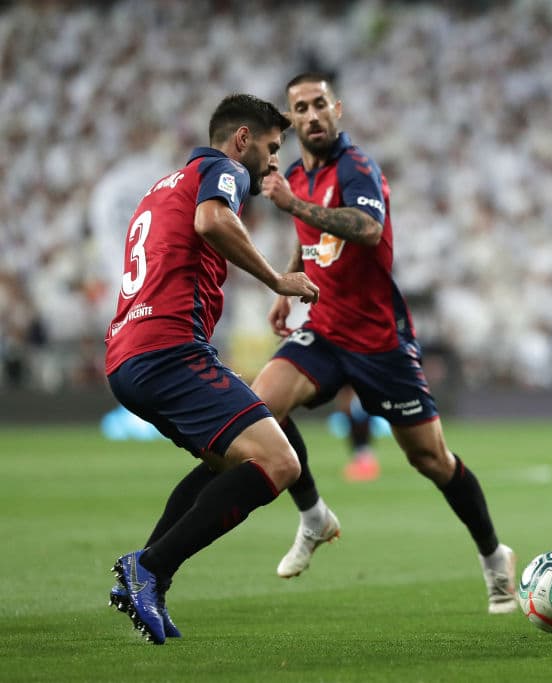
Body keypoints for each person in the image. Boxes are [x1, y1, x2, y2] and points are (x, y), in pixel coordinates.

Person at [250, 72, 516, 613]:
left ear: (337, 109)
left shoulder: (358, 167)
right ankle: (313, 517)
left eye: (320, 104)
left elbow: (367, 229)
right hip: (325, 329)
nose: (312, 115)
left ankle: (494, 557)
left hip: (378, 341)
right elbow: (314, 237)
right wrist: (287, 282)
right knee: (259, 410)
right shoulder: (296, 174)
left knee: (432, 460)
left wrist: (293, 208)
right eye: (300, 108)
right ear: (291, 118)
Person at [105, 94, 319, 644]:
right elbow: (211, 220)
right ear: (241, 140)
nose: (274, 163)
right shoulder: (223, 170)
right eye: (271, 149)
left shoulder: (163, 186)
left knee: (231, 462)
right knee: (280, 463)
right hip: (169, 350)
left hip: (128, 355)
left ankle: (148, 577)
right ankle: (148, 568)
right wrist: (277, 279)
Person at [336, 385, 381, 482]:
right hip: (358, 404)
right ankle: (363, 463)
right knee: (358, 436)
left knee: (361, 434)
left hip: (360, 404)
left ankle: (365, 466)